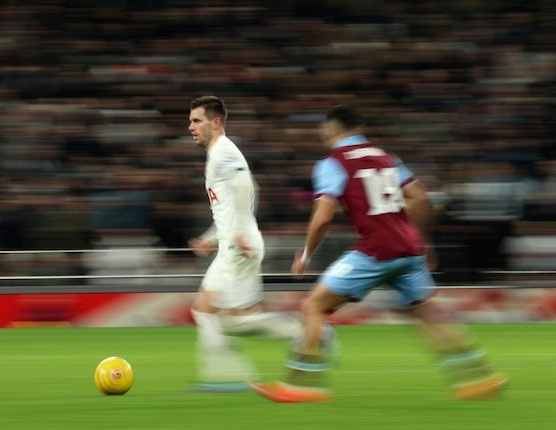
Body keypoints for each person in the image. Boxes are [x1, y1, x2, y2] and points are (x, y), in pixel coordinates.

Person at [249, 104, 508, 402]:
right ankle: (481, 378)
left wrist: (306, 255)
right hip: (409, 249)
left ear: (331, 129)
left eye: (324, 129)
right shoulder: (387, 158)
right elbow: (421, 199)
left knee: (314, 307)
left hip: (375, 251)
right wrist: (422, 242)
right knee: (427, 314)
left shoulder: (332, 162)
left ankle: (302, 385)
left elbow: (322, 217)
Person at [187, 95, 304, 392]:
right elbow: (246, 192)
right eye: (190, 121)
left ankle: (226, 375)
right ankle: (304, 333)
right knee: (237, 321)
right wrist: (211, 239)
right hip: (237, 243)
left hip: (238, 246)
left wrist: (238, 232)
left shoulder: (223, 151)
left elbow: (244, 185)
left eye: (196, 120)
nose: (191, 127)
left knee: (205, 309)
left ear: (215, 123)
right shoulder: (220, 153)